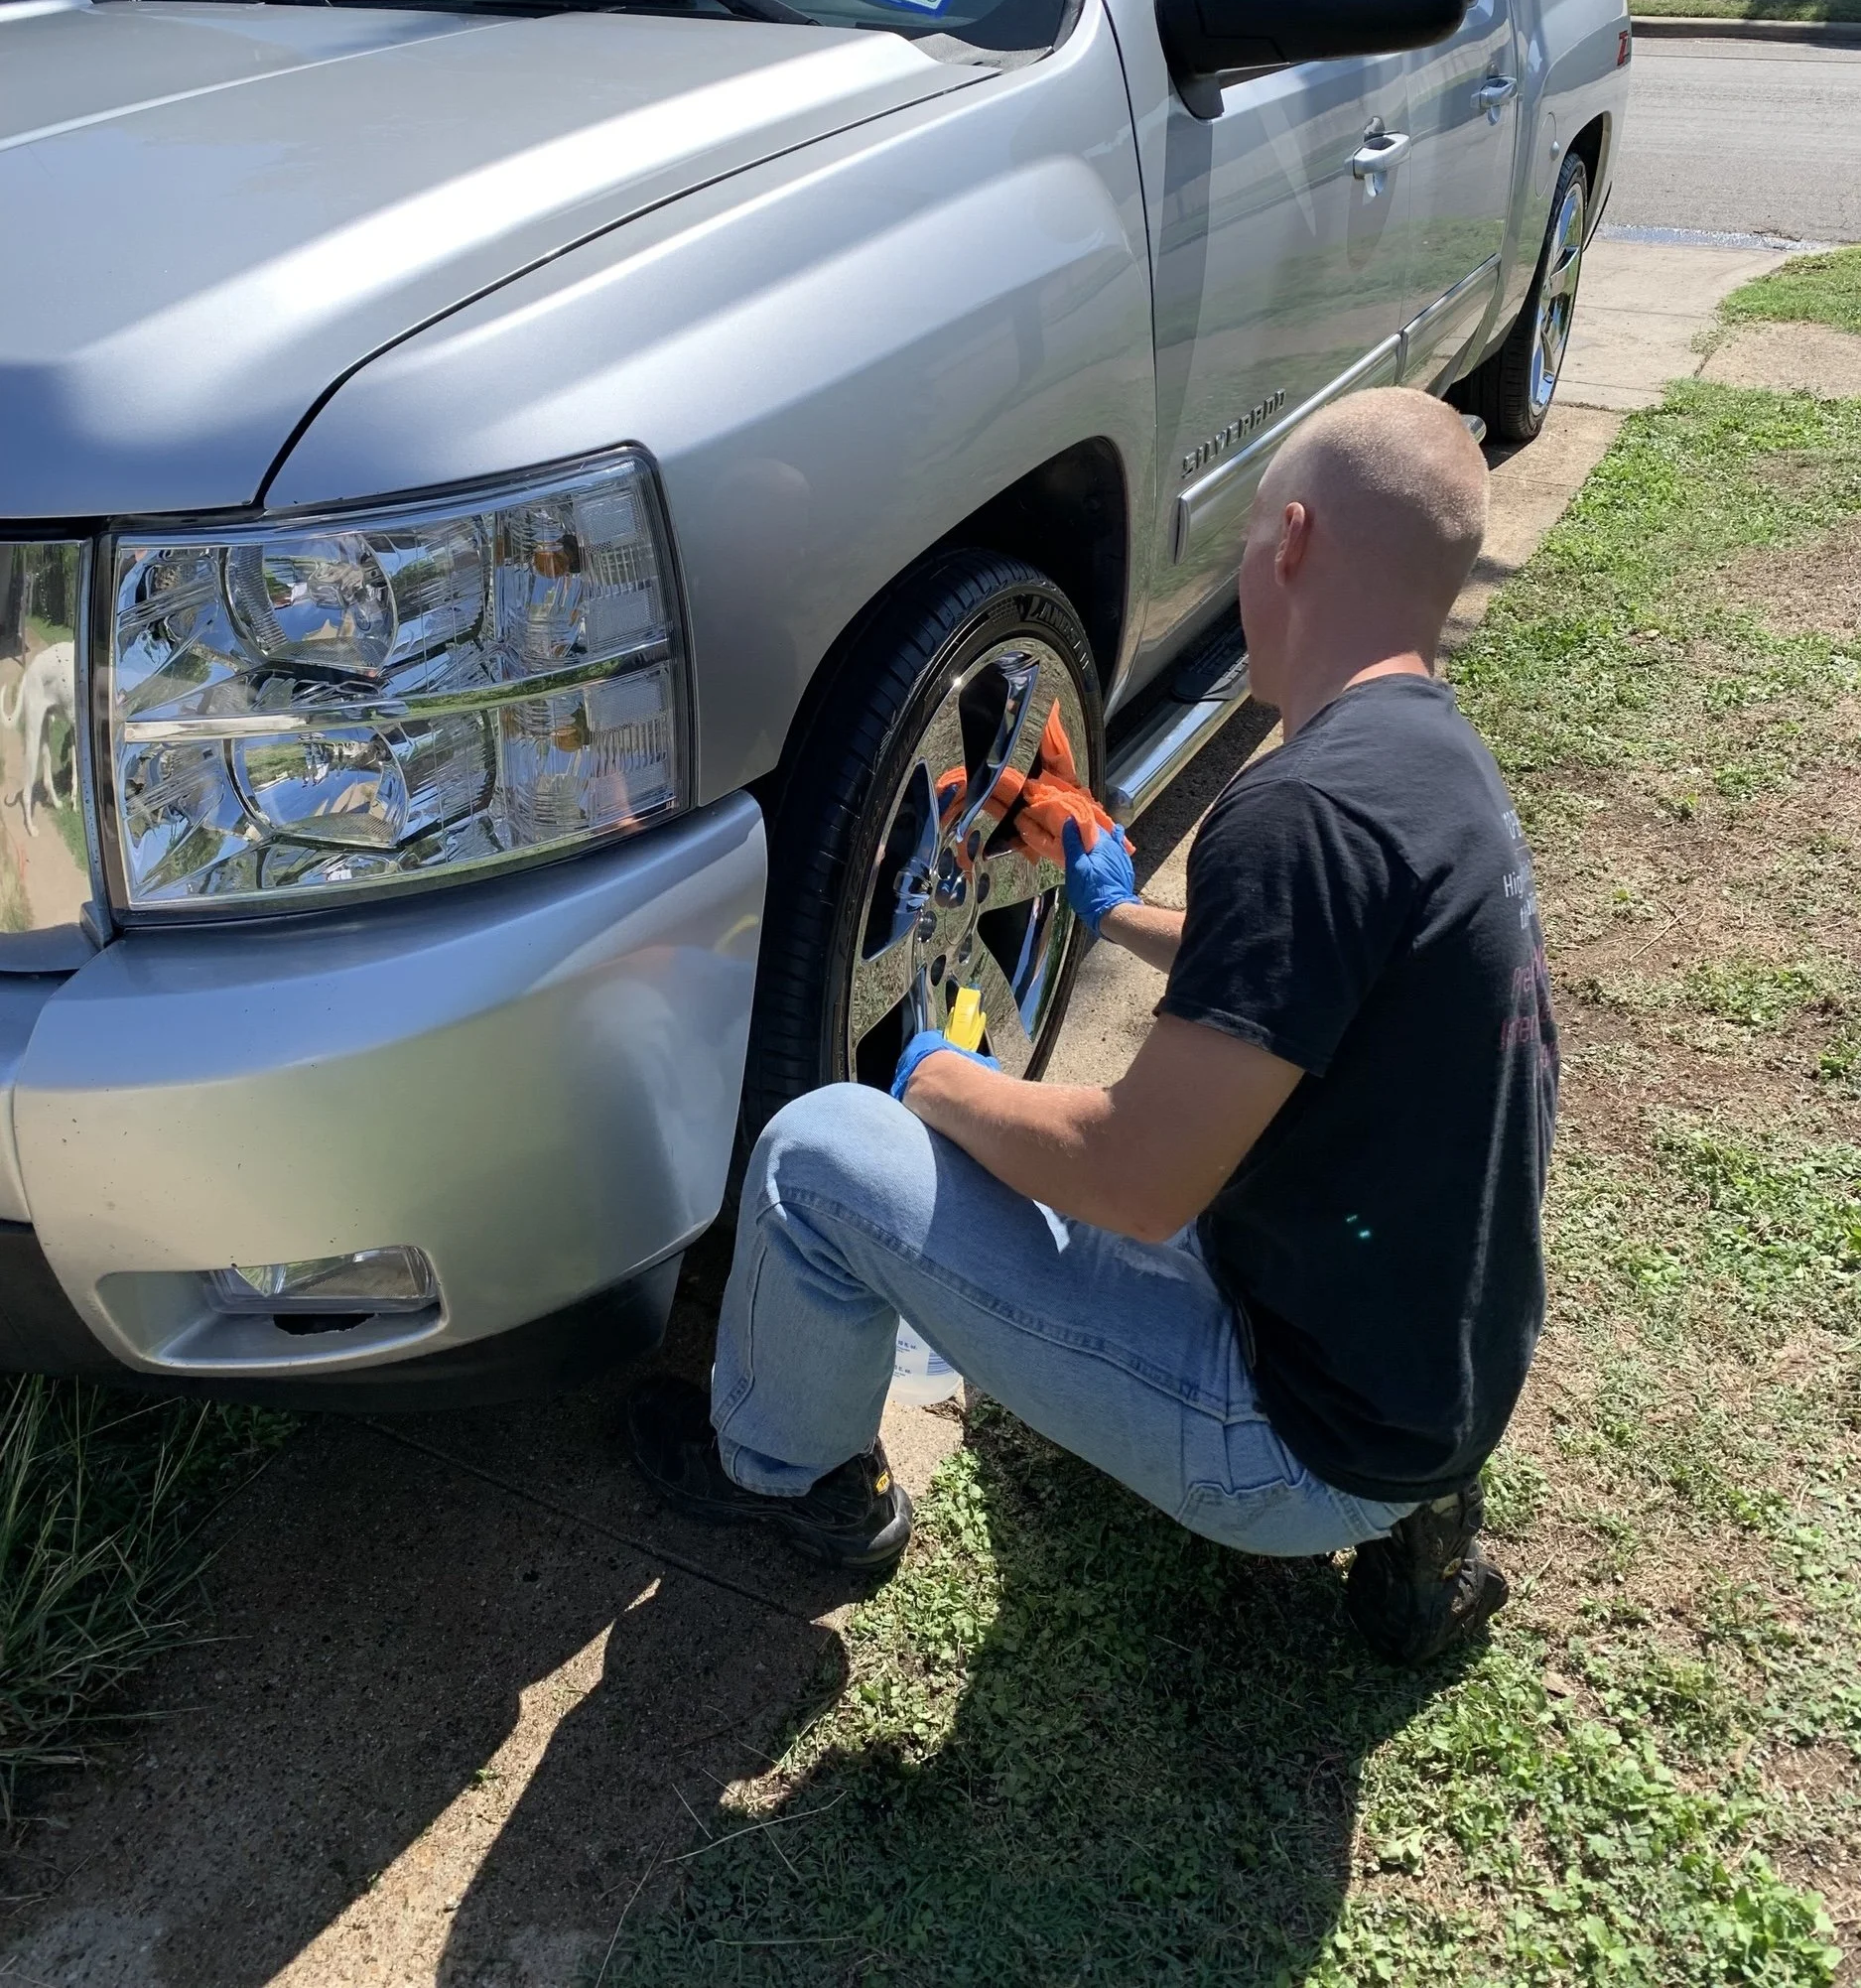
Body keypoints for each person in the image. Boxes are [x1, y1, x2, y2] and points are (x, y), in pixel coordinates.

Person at [629, 387, 1557, 1665]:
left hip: (1286, 1433)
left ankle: (792, 1477)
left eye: (1242, 546)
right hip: (1439, 1375)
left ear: (1289, 543)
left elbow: (1129, 1179)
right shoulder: (1432, 767)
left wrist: (933, 1076)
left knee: (816, 1155)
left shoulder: (1301, 815)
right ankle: (1419, 1525)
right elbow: (1304, 979)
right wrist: (1115, 907)